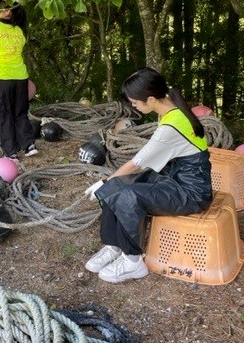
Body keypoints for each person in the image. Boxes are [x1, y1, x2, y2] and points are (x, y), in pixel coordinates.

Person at [84, 67, 213, 284]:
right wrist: (108, 182)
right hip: (174, 178)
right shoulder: (171, 107)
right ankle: (114, 245)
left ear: (151, 99)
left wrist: (104, 180)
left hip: (191, 192)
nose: (133, 105)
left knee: (127, 193)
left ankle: (133, 261)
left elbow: (136, 163)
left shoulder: (170, 126)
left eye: (135, 102)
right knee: (118, 184)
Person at [0, 2, 37, 159]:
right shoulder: (20, 29)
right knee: (20, 112)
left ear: (5, 10)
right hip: (20, 76)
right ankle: (29, 145)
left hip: (3, 77)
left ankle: (11, 151)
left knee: (3, 113)